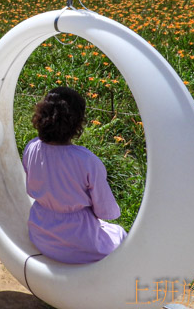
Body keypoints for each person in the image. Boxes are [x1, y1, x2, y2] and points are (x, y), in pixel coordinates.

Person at [22, 86, 127, 263]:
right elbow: (106, 211)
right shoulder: (86, 161)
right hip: (79, 240)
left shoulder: (31, 148)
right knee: (121, 236)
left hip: (40, 233)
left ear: (41, 116)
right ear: (77, 123)